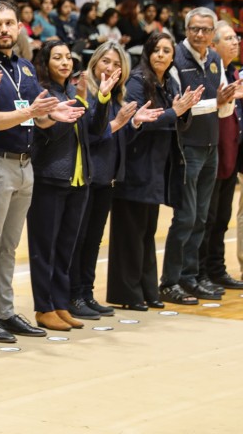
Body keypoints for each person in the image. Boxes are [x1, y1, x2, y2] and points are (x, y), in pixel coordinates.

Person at [0, 0, 84, 343]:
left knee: (9, 246)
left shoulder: (27, 69)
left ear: (19, 28)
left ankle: (6, 311)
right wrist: (29, 112)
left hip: (24, 165)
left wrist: (52, 115)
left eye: (9, 23)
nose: (4, 29)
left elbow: (36, 114)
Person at [108, 32, 202, 309]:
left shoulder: (167, 82)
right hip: (136, 164)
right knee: (130, 233)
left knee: (146, 232)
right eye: (156, 50)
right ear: (148, 52)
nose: (161, 54)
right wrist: (176, 112)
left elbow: (176, 120)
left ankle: (147, 291)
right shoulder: (138, 80)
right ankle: (127, 294)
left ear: (173, 56)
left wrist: (184, 111)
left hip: (156, 166)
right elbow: (143, 120)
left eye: (166, 50)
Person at [68, 42, 162, 319]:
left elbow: (119, 139)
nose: (110, 68)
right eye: (105, 61)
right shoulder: (84, 91)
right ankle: (73, 295)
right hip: (88, 175)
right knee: (80, 238)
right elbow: (89, 135)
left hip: (108, 177)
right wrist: (120, 123)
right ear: (95, 62)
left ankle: (86, 292)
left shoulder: (118, 97)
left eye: (116, 65)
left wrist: (132, 124)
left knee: (94, 240)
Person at [26, 41, 112, 331]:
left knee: (66, 247)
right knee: (44, 248)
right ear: (45, 62)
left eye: (67, 58)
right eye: (57, 57)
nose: (64, 62)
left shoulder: (70, 92)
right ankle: (43, 307)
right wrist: (75, 106)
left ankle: (60, 304)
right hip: (50, 178)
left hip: (79, 180)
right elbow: (51, 136)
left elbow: (96, 131)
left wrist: (100, 100)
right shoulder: (43, 94)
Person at [161, 8, 239, 304]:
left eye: (206, 30)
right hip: (186, 146)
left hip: (211, 145)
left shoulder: (216, 60)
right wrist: (216, 101)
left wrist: (228, 99)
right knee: (185, 216)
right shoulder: (176, 59)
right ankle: (171, 281)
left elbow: (221, 108)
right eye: (195, 29)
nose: (200, 34)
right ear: (186, 29)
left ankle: (191, 277)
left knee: (203, 217)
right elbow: (179, 107)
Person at [200, 23, 243, 290]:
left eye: (236, 37)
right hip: (210, 154)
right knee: (207, 218)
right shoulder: (209, 75)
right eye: (229, 38)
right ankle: (201, 271)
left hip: (232, 155)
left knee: (222, 217)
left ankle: (217, 269)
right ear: (213, 46)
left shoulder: (233, 73)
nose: (236, 42)